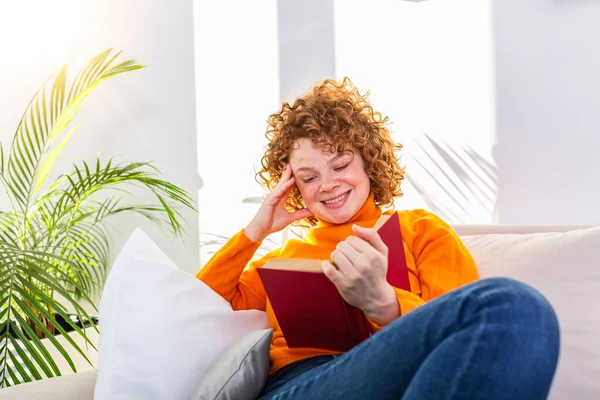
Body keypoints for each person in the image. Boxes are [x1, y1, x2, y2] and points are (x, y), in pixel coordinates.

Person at [196, 77, 560, 400]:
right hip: (302, 385)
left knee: (515, 308)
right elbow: (200, 308)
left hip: (404, 380)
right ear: (294, 189)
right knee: (513, 303)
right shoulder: (285, 255)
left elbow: (458, 331)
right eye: (308, 177)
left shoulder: (420, 230)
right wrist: (254, 233)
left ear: (368, 161)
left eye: (340, 165)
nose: (327, 184)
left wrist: (384, 304)